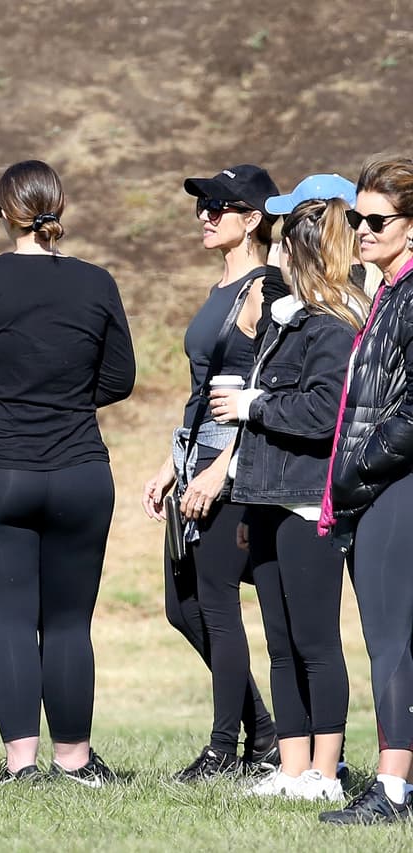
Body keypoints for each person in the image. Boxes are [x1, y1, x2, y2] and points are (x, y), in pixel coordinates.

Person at [0, 160, 135, 786]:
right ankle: (74, 761)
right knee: (71, 623)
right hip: (79, 471)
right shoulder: (97, 282)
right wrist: (66, 404)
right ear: (61, 208)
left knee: (11, 621)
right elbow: (120, 380)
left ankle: (21, 763)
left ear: (3, 212)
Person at [215, 182, 367, 802]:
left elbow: (324, 410)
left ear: (302, 254)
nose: (271, 259)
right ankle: (292, 766)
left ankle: (326, 774)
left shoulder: (331, 327)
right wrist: (246, 495)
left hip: (308, 502)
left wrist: (253, 403)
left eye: (281, 250)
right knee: (279, 643)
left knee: (315, 641)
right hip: (269, 498)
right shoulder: (288, 323)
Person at [141, 164, 282, 781]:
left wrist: (223, 469)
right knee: (183, 607)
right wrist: (171, 465)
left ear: (252, 219)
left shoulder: (268, 289)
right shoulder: (218, 291)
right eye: (202, 204)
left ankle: (227, 750)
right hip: (193, 461)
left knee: (218, 605)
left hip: (233, 469)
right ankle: (267, 733)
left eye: (218, 206)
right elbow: (202, 391)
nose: (204, 214)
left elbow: (267, 390)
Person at [318, 155, 413, 824]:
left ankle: (392, 790)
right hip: (381, 487)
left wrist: (360, 469)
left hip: (395, 486)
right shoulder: (387, 291)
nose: (361, 230)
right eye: (356, 217)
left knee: (391, 642)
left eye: (376, 219)